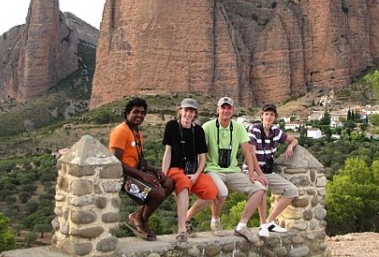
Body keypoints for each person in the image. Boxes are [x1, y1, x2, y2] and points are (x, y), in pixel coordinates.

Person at [186, 96, 267, 243]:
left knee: (259, 189)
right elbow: (199, 151)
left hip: (233, 170)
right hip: (213, 169)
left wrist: (251, 174)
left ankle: (242, 226)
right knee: (221, 193)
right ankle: (215, 220)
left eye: (229, 108)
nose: (226, 110)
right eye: (223, 107)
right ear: (218, 109)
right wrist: (196, 171)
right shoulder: (208, 127)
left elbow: (247, 151)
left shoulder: (238, 127)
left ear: (233, 110)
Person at [109, 97, 175, 241]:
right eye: (136, 112)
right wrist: (144, 176)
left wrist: (155, 170)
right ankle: (142, 221)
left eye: (143, 113)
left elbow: (138, 161)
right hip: (124, 178)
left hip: (136, 173)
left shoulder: (138, 133)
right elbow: (116, 162)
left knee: (169, 183)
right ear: (128, 113)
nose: (140, 115)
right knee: (158, 193)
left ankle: (138, 216)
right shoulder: (121, 131)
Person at [161, 98, 218, 247]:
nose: (188, 114)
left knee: (212, 192)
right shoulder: (172, 126)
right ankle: (182, 231)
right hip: (175, 169)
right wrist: (163, 174)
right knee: (184, 184)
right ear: (180, 111)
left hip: (193, 171)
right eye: (186, 110)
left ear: (195, 114)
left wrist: (197, 175)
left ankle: (187, 217)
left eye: (191, 111)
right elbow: (168, 152)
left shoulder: (198, 131)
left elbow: (203, 158)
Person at [245, 103, 299, 237]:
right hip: (253, 171)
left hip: (268, 172)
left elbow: (294, 139)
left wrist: (290, 146)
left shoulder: (276, 131)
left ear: (275, 117)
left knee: (292, 191)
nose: (269, 117)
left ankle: (269, 221)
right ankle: (263, 225)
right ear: (261, 115)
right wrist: (260, 174)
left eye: (272, 115)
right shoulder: (254, 129)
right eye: (266, 114)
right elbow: (251, 153)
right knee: (261, 189)